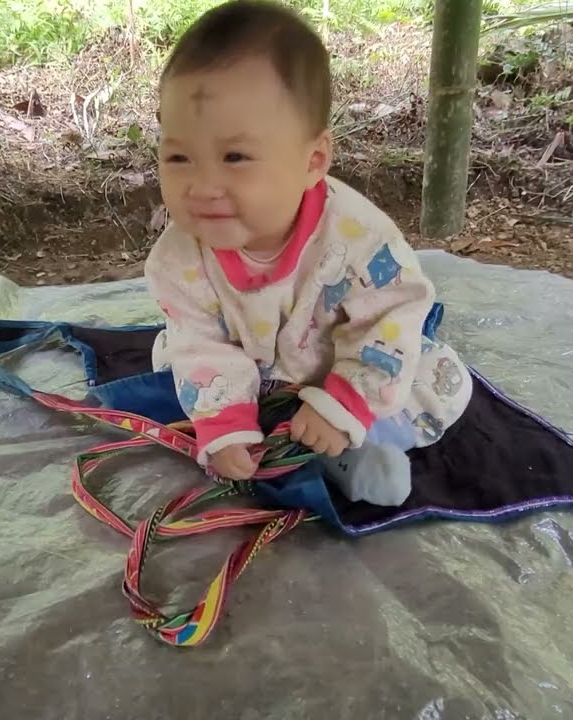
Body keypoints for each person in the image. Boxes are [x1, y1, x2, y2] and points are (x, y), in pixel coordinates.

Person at [144, 0, 473, 507]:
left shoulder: (357, 237)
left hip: (338, 362)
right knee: (173, 355)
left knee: (440, 382)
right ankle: (264, 431)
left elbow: (391, 315)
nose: (203, 186)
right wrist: (226, 425)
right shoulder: (178, 257)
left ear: (313, 160)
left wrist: (344, 402)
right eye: (178, 157)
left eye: (235, 157)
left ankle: (358, 444)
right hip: (251, 373)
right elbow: (199, 340)